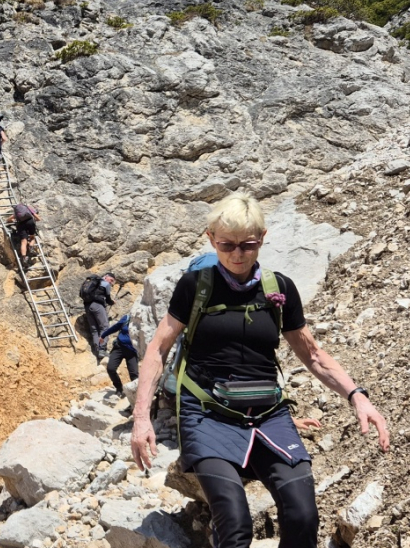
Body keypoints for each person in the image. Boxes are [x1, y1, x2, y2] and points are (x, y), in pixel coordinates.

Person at [130, 193, 390, 548]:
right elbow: (157, 349)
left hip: (267, 413)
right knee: (235, 525)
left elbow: (312, 354)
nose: (237, 254)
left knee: (302, 515)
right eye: (227, 245)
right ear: (211, 239)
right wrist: (141, 417)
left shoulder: (279, 288)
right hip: (207, 415)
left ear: (263, 238)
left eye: (248, 245)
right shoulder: (196, 287)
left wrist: (357, 396)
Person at [80, 273, 115, 361]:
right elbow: (108, 299)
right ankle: (102, 349)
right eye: (111, 280)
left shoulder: (93, 283)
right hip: (97, 306)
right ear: (106, 277)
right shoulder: (105, 284)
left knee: (94, 329)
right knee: (105, 327)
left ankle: (97, 350)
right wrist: (112, 302)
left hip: (87, 306)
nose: (111, 283)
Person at [101, 313, 138, 396]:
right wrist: (103, 335)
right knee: (111, 368)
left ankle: (135, 395)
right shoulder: (127, 318)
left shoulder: (142, 322)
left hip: (132, 351)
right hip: (119, 348)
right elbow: (115, 327)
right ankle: (119, 388)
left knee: (134, 374)